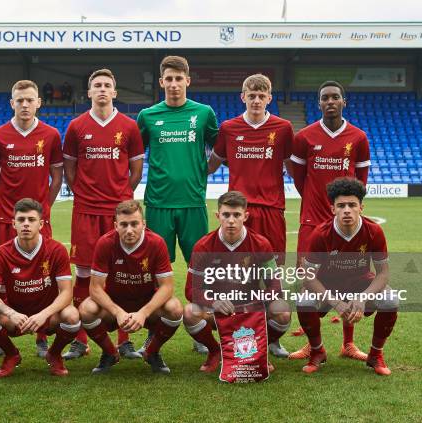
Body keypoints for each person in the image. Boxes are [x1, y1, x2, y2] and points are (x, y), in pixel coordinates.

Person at [207, 74, 294, 358]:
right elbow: (212, 164)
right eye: (251, 95)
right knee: (234, 272)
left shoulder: (283, 128)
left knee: (270, 273)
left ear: (269, 98)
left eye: (262, 95)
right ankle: (229, 332)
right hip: (239, 211)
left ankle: (270, 338)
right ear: (242, 97)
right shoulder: (229, 128)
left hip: (271, 210)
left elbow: (293, 166)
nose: (256, 100)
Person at [137, 56, 218, 355]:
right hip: (158, 203)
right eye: (168, 79)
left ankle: (201, 330)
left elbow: (219, 147)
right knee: (153, 273)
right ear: (161, 82)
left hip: (193, 203)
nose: (173, 84)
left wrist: (203, 170)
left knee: (202, 269)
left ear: (188, 80)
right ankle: (153, 332)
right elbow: (135, 152)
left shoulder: (203, 113)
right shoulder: (147, 116)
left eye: (178, 78)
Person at [63, 68, 144, 360]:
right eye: (96, 85)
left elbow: (135, 169)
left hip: (118, 213)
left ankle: (125, 339)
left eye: (107, 85)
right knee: (83, 272)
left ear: (114, 92)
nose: (101, 89)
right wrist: (84, 193)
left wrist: (121, 196)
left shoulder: (129, 126)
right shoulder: (76, 126)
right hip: (86, 211)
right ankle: (80, 340)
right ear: (89, 92)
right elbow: (70, 170)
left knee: (122, 274)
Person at [289, 81, 371, 359]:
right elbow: (299, 178)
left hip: (345, 224)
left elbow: (361, 181)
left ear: (343, 102)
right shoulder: (304, 137)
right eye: (325, 98)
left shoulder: (358, 137)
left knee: (351, 276)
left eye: (336, 97)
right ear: (319, 103)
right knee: (308, 277)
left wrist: (345, 208)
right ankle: (313, 345)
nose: (331, 101)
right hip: (312, 220)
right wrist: (314, 200)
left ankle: (348, 343)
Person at [0, 80, 64, 359]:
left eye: (30, 100)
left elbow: (57, 177)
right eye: (20, 100)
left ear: (39, 102)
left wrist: (44, 209)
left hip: (40, 219)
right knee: (2, 279)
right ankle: (0, 339)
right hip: (6, 219)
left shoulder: (51, 134)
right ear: (12, 103)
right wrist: (6, 205)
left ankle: (42, 334)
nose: (25, 105)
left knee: (44, 277)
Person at [296, 177, 397, 375]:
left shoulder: (374, 231)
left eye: (352, 204)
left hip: (360, 285)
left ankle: (375, 355)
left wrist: (362, 297)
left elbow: (383, 273)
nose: (347, 210)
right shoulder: (320, 234)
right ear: (333, 209)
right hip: (327, 287)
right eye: (341, 205)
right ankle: (317, 351)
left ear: (361, 207)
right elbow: (308, 277)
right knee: (304, 299)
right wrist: (335, 302)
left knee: (390, 299)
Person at [182, 191, 291, 374]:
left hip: (251, 311)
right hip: (219, 310)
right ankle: (216, 351)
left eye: (236, 215)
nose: (231, 220)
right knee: (190, 312)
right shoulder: (203, 246)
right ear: (218, 216)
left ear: (245, 216)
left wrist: (255, 302)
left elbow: (275, 286)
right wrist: (214, 302)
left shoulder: (261, 244)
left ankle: (259, 351)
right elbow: (191, 290)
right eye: (226, 215)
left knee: (282, 310)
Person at [79, 200, 183, 374]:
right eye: (124, 224)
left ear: (143, 224)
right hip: (115, 305)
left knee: (175, 308)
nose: (129, 230)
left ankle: (152, 352)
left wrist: (143, 313)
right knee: (86, 309)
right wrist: (118, 312)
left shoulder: (156, 243)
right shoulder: (105, 243)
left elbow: (167, 287)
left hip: (147, 305)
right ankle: (110, 353)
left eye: (134, 224)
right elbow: (95, 288)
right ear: (116, 225)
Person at [0, 198, 80, 378]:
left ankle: (54, 354)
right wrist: (12, 314)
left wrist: (44, 314)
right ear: (13, 224)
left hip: (47, 316)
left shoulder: (56, 250)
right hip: (15, 317)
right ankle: (11, 354)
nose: (26, 224)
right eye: (21, 220)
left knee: (72, 315)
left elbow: (66, 293)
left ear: (41, 224)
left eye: (31, 220)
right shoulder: (1, 253)